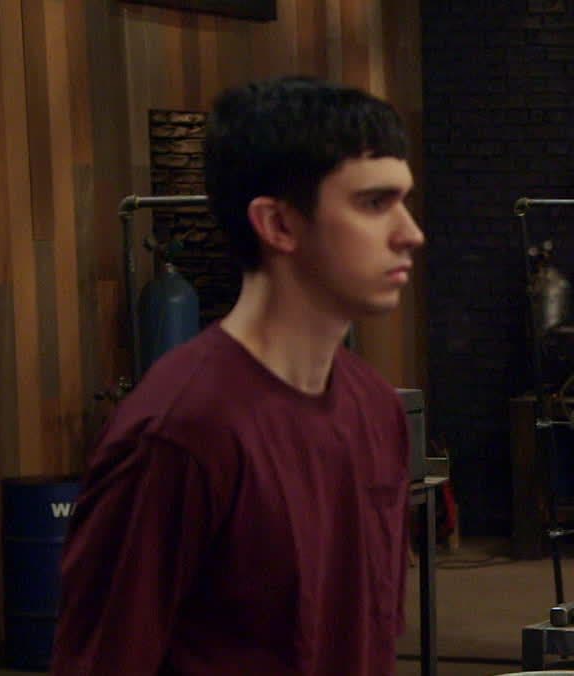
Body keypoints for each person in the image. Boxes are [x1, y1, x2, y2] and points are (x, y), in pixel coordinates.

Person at [53, 76, 425, 674]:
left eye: (403, 201)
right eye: (374, 203)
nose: (411, 233)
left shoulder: (377, 408)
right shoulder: (179, 433)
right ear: (278, 224)